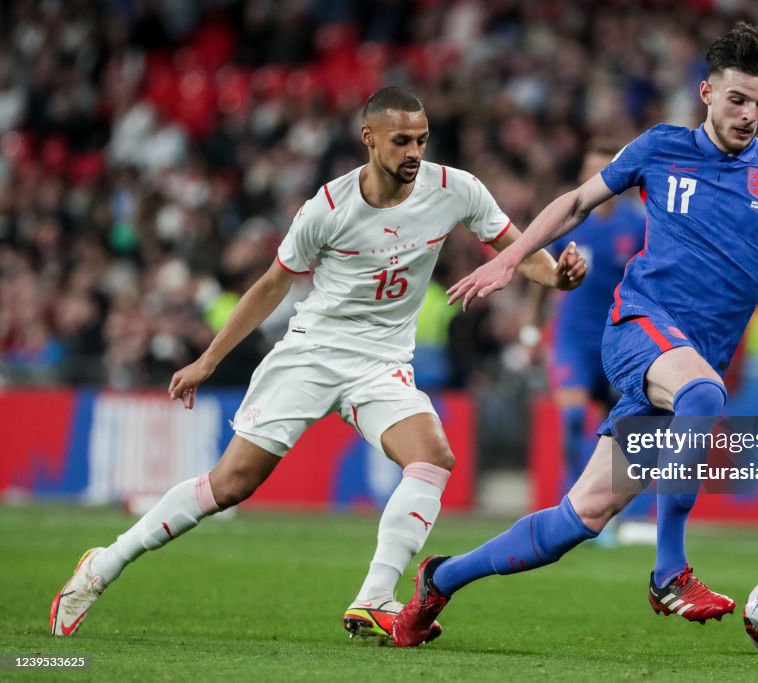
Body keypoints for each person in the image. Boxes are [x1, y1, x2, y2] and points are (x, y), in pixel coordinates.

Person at [393, 22, 758, 647]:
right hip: (637, 329)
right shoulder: (660, 147)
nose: (750, 114)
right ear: (706, 91)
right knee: (705, 396)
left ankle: (439, 580)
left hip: (683, 363)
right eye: (737, 99)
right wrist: (508, 259)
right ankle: (670, 573)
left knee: (581, 518)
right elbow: (574, 203)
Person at [49, 86, 587, 641]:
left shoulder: (455, 189)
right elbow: (271, 286)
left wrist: (557, 276)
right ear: (369, 138)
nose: (414, 152)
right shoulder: (328, 208)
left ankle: (375, 596)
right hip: (312, 354)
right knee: (230, 485)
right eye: (401, 140)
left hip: (382, 362)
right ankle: (103, 564)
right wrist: (209, 359)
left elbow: (515, 248)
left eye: (421, 140)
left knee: (432, 457)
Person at [522, 141, 645, 507]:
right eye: (592, 170)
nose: (599, 178)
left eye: (606, 171)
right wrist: (531, 331)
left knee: (625, 432)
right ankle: (573, 505)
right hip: (572, 338)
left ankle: (612, 508)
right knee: (574, 417)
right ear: (582, 175)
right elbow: (544, 275)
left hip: (619, 342)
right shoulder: (569, 220)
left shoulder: (637, 225)